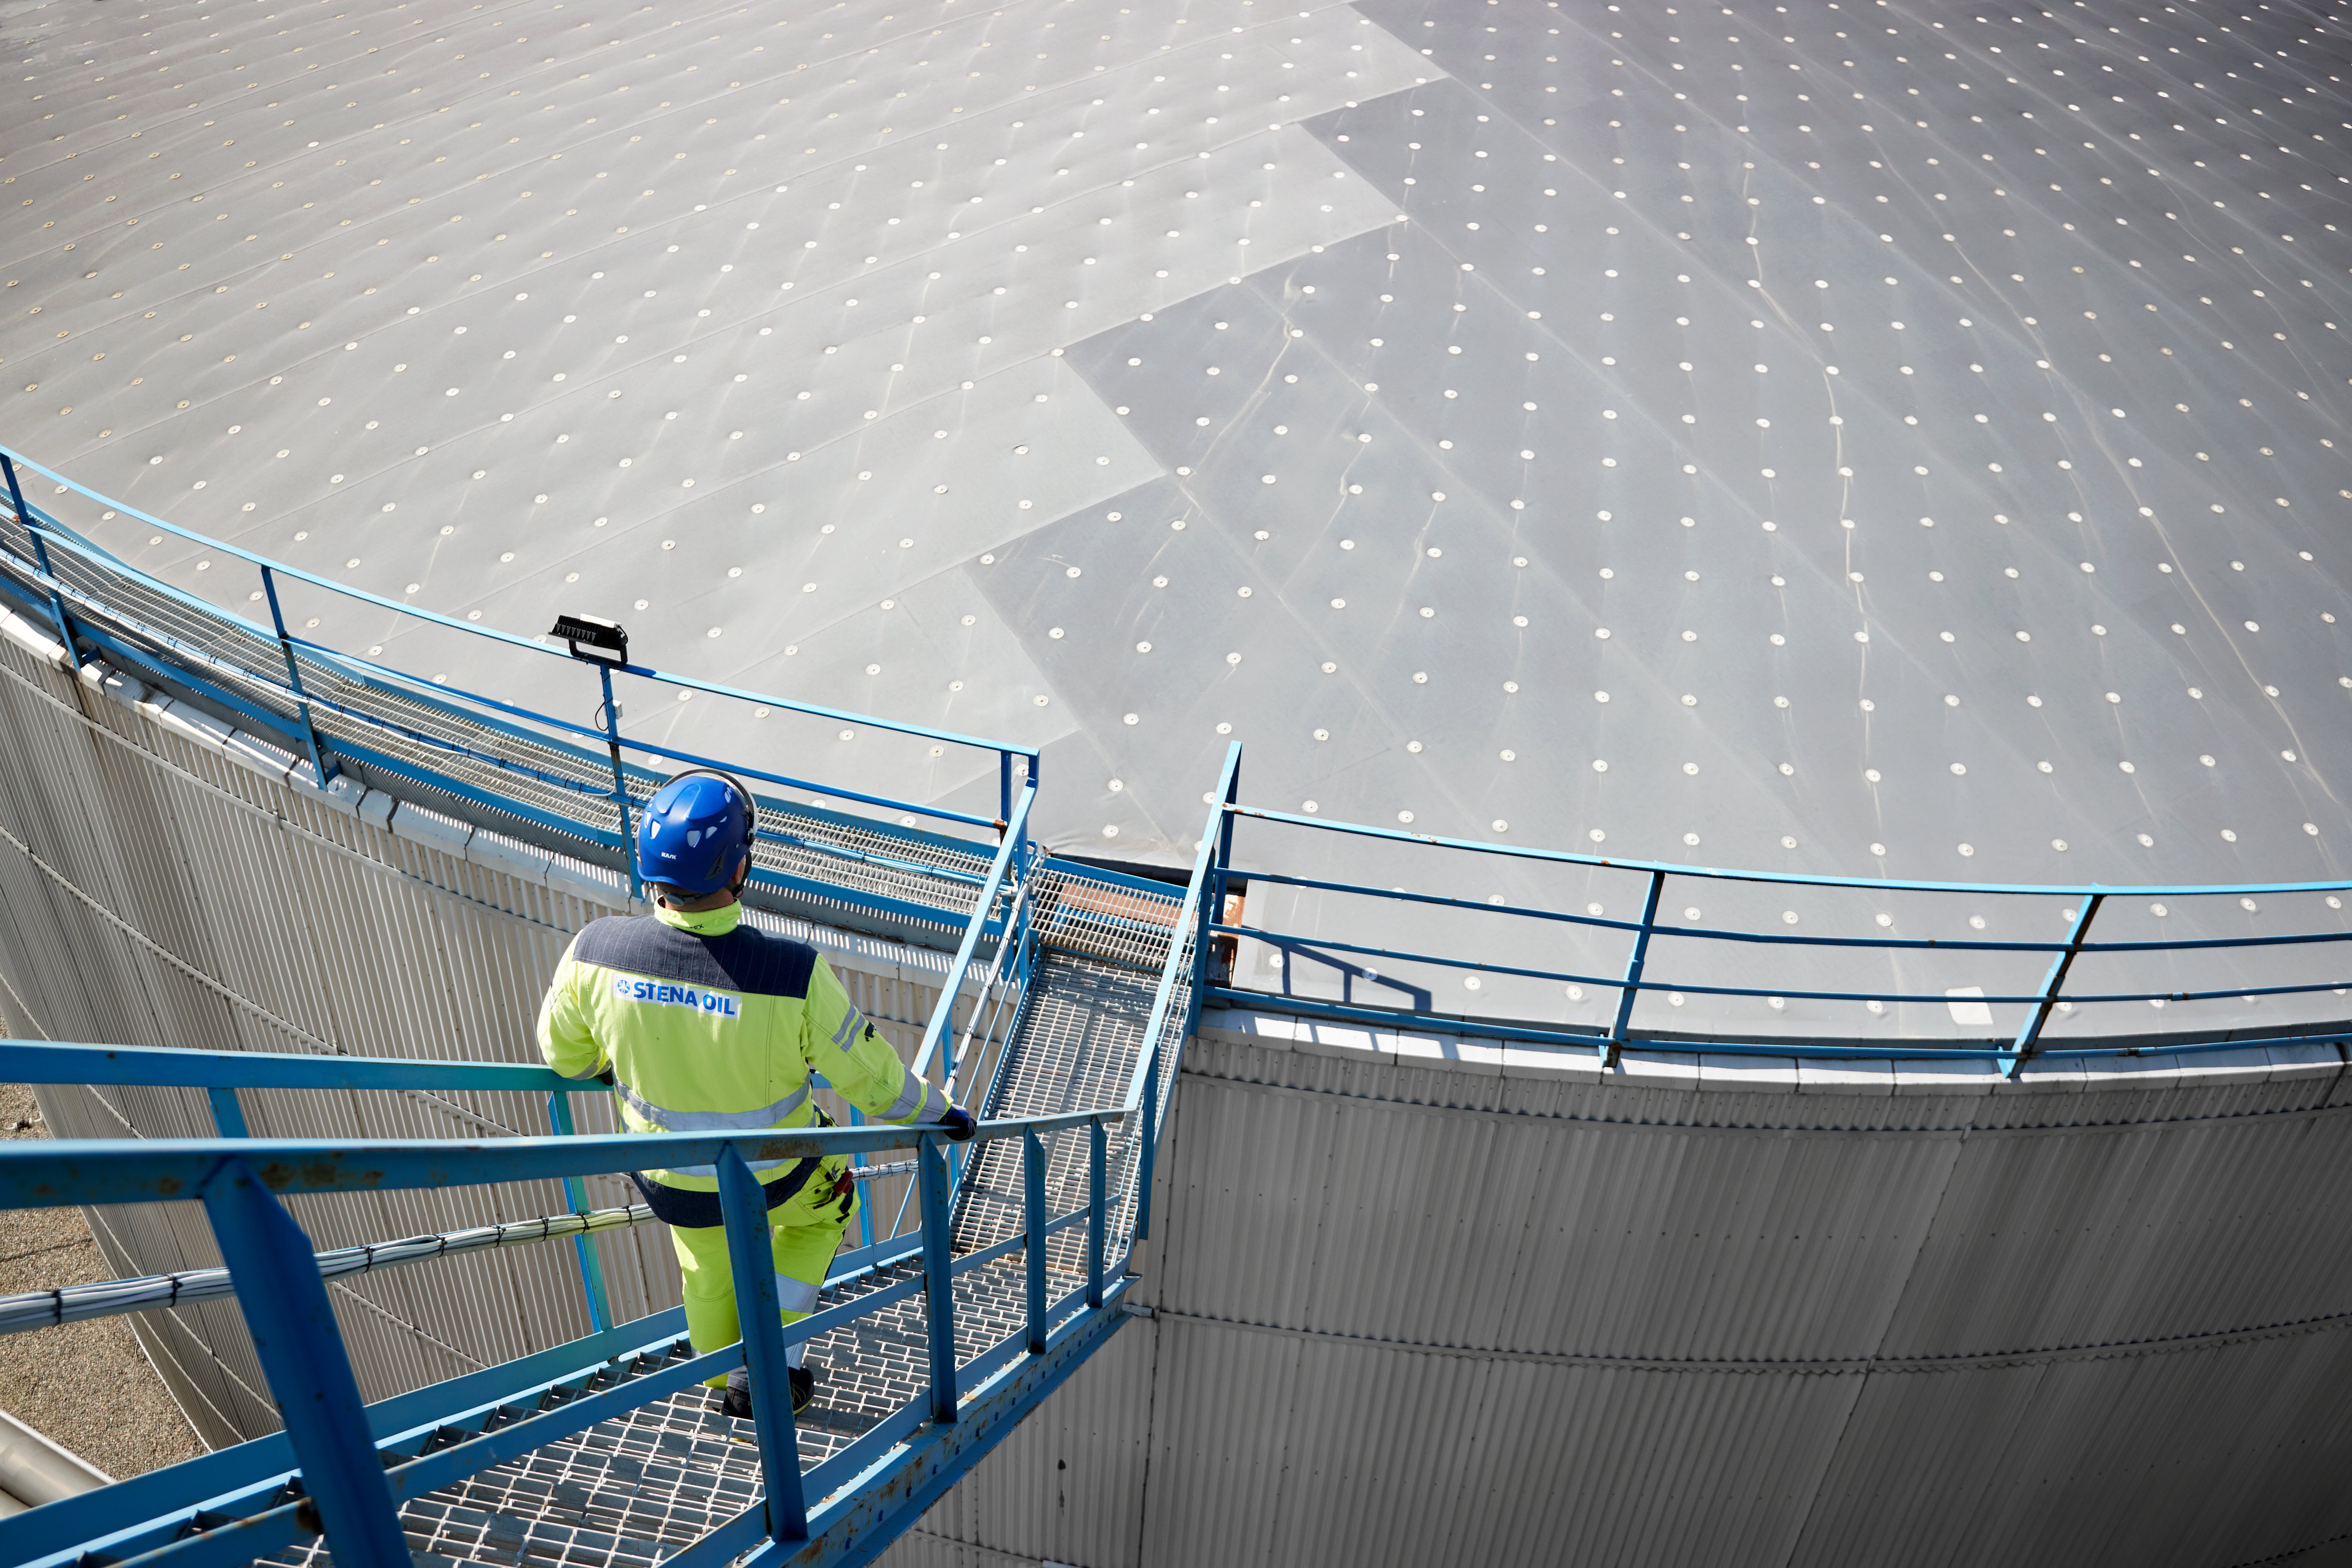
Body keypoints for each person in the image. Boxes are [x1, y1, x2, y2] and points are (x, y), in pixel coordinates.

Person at [536, 768, 974, 1420]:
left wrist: (615, 1061)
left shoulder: (594, 950)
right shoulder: (791, 972)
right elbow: (874, 1080)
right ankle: (772, 1366)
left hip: (668, 1178)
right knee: (827, 1208)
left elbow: (564, 1057)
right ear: (739, 867)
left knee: (708, 1267)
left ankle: (724, 1385)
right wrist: (943, 1115)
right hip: (776, 1174)